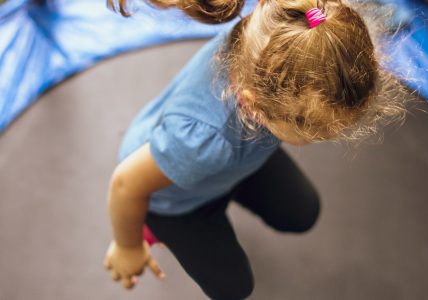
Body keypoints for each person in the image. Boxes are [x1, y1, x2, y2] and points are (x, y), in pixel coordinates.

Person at [103, 0, 406, 299]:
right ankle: (152, 229)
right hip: (173, 198)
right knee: (233, 289)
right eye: (315, 130)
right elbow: (125, 185)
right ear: (257, 108)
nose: (327, 136)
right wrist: (127, 246)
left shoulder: (279, 37)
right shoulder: (200, 141)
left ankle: (227, 189)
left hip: (233, 161)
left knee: (302, 213)